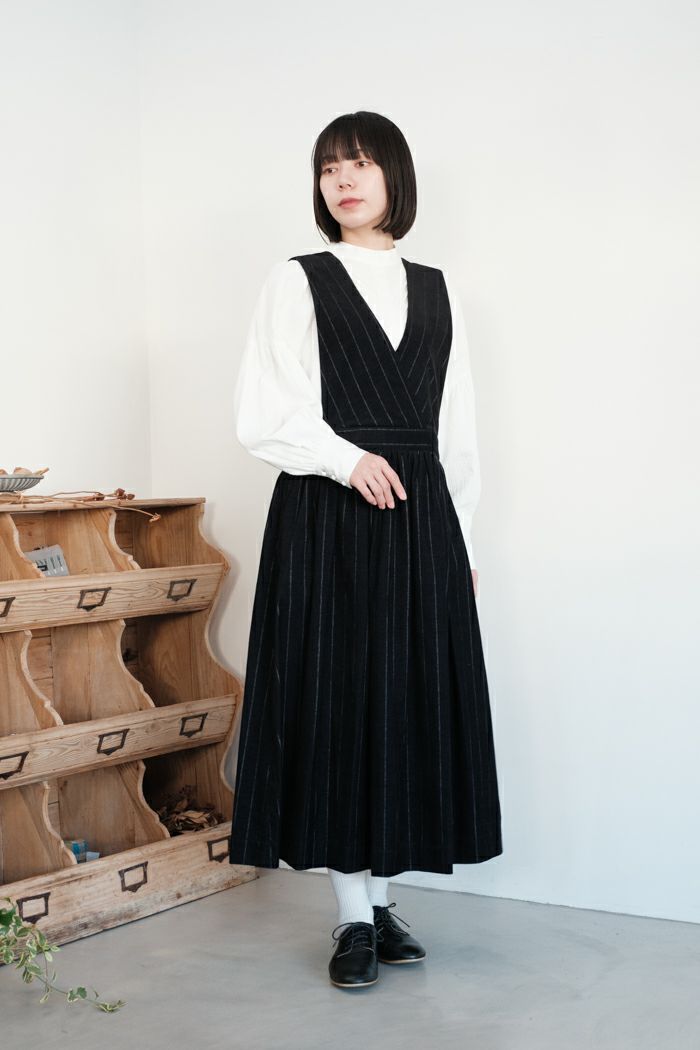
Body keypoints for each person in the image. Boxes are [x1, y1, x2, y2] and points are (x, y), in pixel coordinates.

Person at [228, 110, 503, 989]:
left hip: (420, 521)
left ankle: (380, 905)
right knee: (339, 704)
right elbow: (264, 410)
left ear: (395, 177)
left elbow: (457, 429)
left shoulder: (438, 288)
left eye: (360, 164)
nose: (343, 180)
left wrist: (460, 536)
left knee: (405, 703)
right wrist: (345, 460)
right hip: (328, 516)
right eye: (328, 168)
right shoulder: (296, 279)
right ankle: (352, 917)